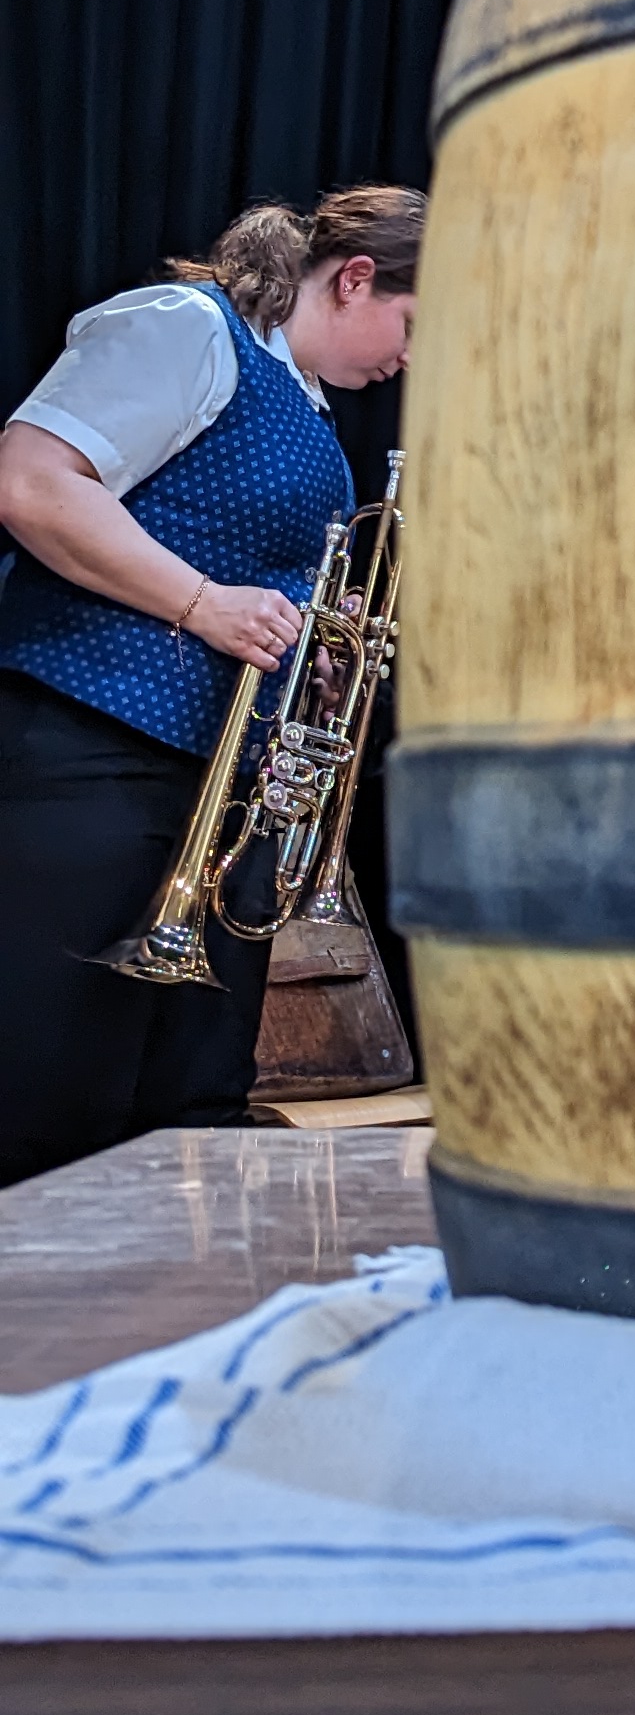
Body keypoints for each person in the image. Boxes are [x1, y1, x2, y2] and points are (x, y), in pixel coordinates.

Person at [0, 185, 423, 1184]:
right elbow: (32, 481)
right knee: (59, 1100)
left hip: (219, 796)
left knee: (195, 1110)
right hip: (98, 753)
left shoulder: (305, 402)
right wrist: (204, 603)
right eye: (414, 327)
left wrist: (312, 642)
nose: (411, 361)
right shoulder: (188, 327)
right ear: (356, 278)